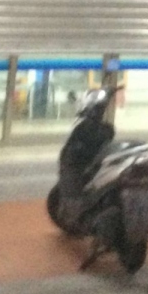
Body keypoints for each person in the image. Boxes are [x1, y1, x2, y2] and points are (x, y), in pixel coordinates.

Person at [57, 88, 115, 228]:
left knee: (72, 173)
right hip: (96, 164)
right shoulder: (105, 130)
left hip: (87, 164)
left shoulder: (85, 129)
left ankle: (76, 213)